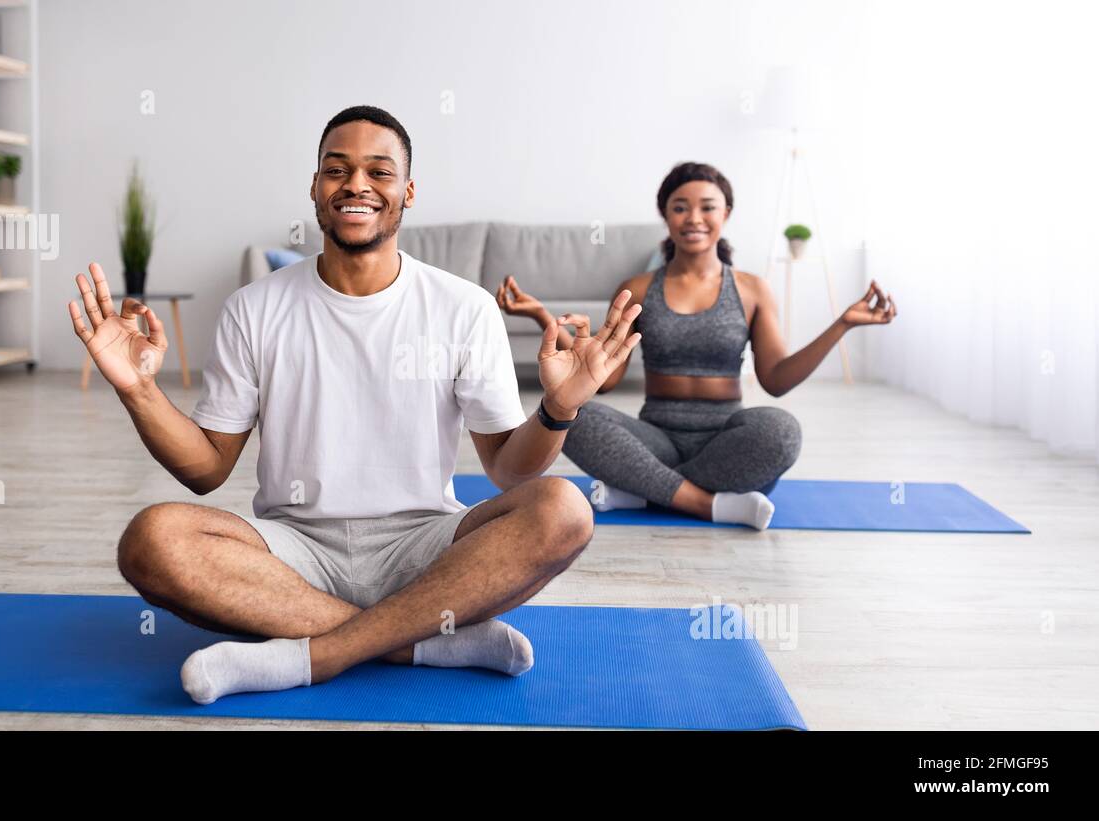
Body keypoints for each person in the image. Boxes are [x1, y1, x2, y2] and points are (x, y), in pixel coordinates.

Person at [68, 105, 641, 703]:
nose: (356, 185)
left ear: (408, 191)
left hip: (426, 547)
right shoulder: (253, 308)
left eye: (379, 171)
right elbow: (206, 470)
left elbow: (509, 471)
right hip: (293, 552)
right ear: (315, 187)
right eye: (336, 169)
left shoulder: (464, 308)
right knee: (151, 539)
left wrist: (558, 407)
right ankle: (420, 641)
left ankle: (312, 655)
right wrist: (138, 389)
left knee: (565, 509)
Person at [497, 161, 896, 530]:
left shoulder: (752, 290)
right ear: (665, 215)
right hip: (654, 440)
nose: (694, 218)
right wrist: (543, 317)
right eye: (680, 208)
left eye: (707, 207)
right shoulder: (638, 288)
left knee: (782, 432)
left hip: (725, 442)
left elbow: (775, 380)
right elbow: (605, 380)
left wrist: (843, 324)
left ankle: (643, 490)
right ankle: (708, 504)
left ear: (726, 214)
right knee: (573, 414)